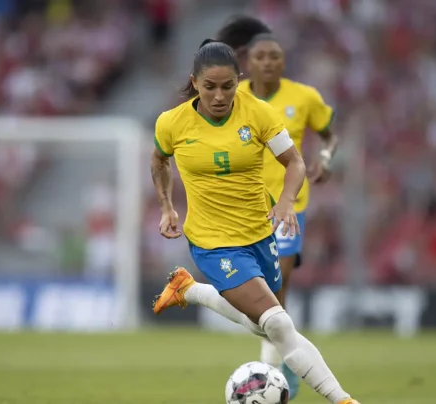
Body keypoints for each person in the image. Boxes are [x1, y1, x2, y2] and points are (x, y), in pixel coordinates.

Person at [151, 39, 359, 404]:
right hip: (212, 242)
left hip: (260, 234)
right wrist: (168, 206)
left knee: (270, 325)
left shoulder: (258, 113)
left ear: (238, 81)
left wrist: (285, 203)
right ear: (194, 83)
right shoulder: (172, 122)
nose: (219, 96)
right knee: (278, 322)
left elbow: (294, 163)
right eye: (210, 87)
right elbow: (158, 161)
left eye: (228, 86)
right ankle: (342, 399)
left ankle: (190, 290)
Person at [239, 32, 338, 398]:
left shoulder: (304, 97)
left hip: (288, 204)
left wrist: (326, 158)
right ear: (249, 62)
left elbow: (329, 135)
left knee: (277, 285)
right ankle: (286, 355)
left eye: (274, 56)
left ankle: (274, 367)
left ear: (283, 62)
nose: (267, 62)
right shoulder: (234, 98)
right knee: (261, 289)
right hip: (244, 203)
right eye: (260, 56)